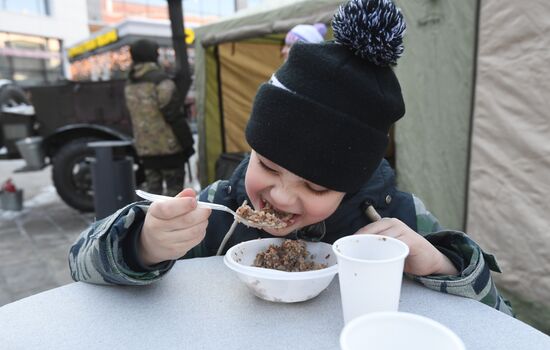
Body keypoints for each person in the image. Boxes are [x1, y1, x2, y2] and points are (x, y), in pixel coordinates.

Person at [69, 0, 513, 316]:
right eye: (268, 165)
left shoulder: (399, 219)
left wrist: (441, 263)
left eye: (317, 186)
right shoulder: (218, 209)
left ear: (351, 183)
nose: (280, 196)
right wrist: (142, 244)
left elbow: (501, 316)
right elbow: (80, 264)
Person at [125, 39, 194, 196]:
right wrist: (187, 143)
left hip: (146, 150)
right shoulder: (160, 80)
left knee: (152, 195)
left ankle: (151, 221)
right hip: (170, 149)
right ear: (151, 55)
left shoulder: (130, 82)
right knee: (175, 197)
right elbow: (174, 115)